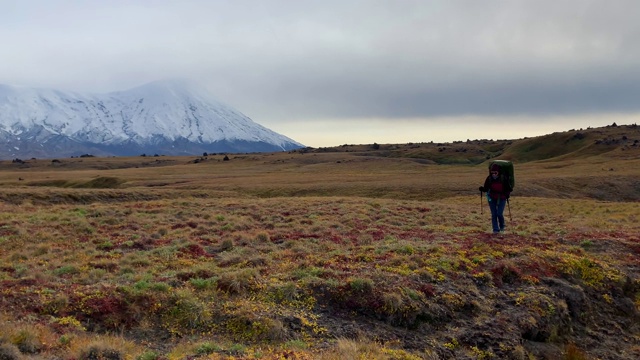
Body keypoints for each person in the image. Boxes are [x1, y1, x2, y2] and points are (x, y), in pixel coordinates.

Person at [479, 163, 512, 234]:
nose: (493, 174)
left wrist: (507, 194)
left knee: (499, 213)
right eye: (492, 172)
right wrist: (482, 189)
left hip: (502, 198)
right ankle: (495, 230)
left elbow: (509, 188)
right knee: (494, 214)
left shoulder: (503, 178)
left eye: (495, 172)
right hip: (492, 198)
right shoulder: (489, 178)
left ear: (498, 172)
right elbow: (486, 188)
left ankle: (502, 227)